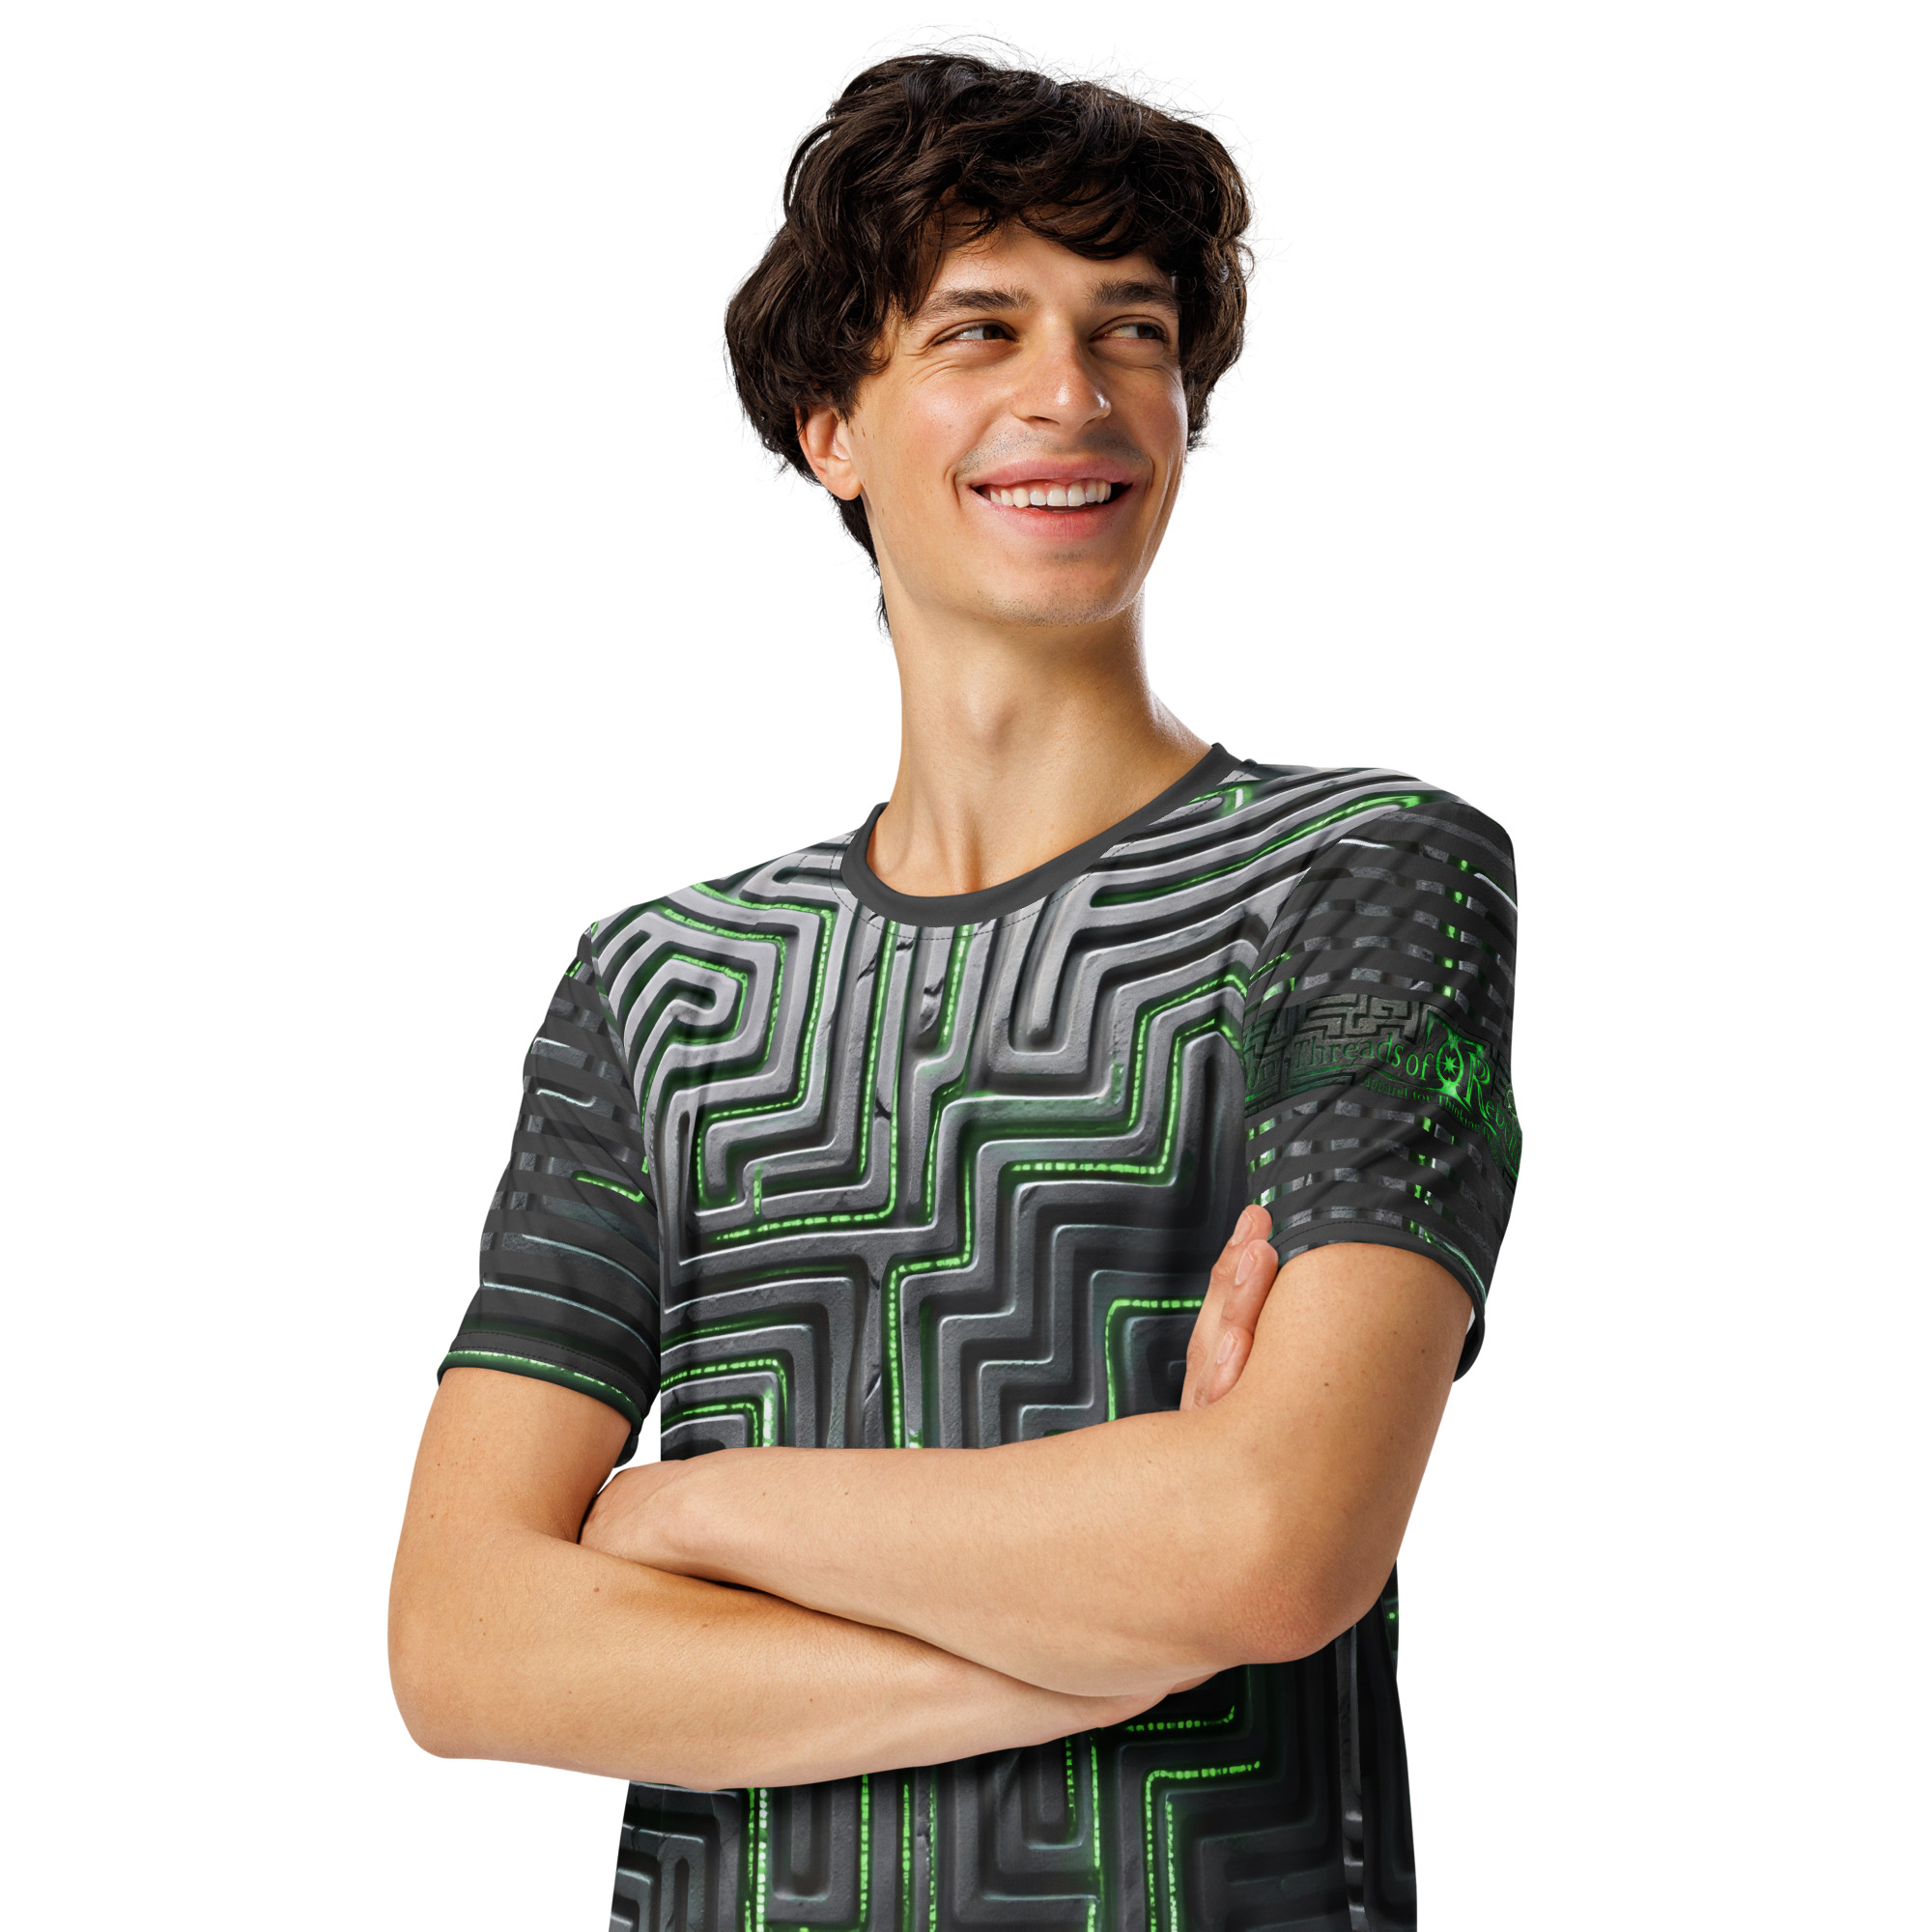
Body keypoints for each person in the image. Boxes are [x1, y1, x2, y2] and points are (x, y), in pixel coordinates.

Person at [388, 50, 1521, 1932]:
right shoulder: (661, 987)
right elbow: (460, 1640)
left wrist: (690, 1511)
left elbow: (1275, 1538)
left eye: (1130, 331)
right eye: (980, 330)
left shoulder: (1361, 880)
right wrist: (1106, 1643)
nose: (1072, 394)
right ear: (831, 424)